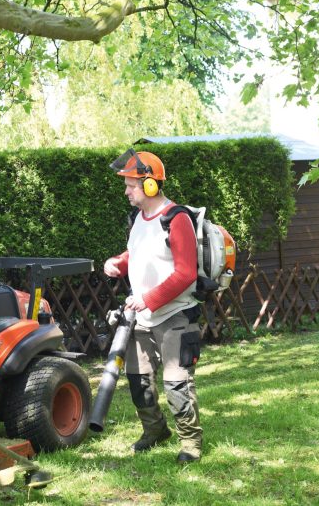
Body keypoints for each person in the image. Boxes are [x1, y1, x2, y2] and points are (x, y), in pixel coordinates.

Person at [103, 148, 204, 464]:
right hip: (141, 318)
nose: (126, 191)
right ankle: (155, 430)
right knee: (138, 379)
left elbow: (185, 273)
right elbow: (140, 253)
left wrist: (147, 299)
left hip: (175, 315)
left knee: (177, 383)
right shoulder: (138, 219)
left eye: (131, 185)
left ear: (149, 185)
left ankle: (191, 443)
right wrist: (119, 263)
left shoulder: (177, 219)